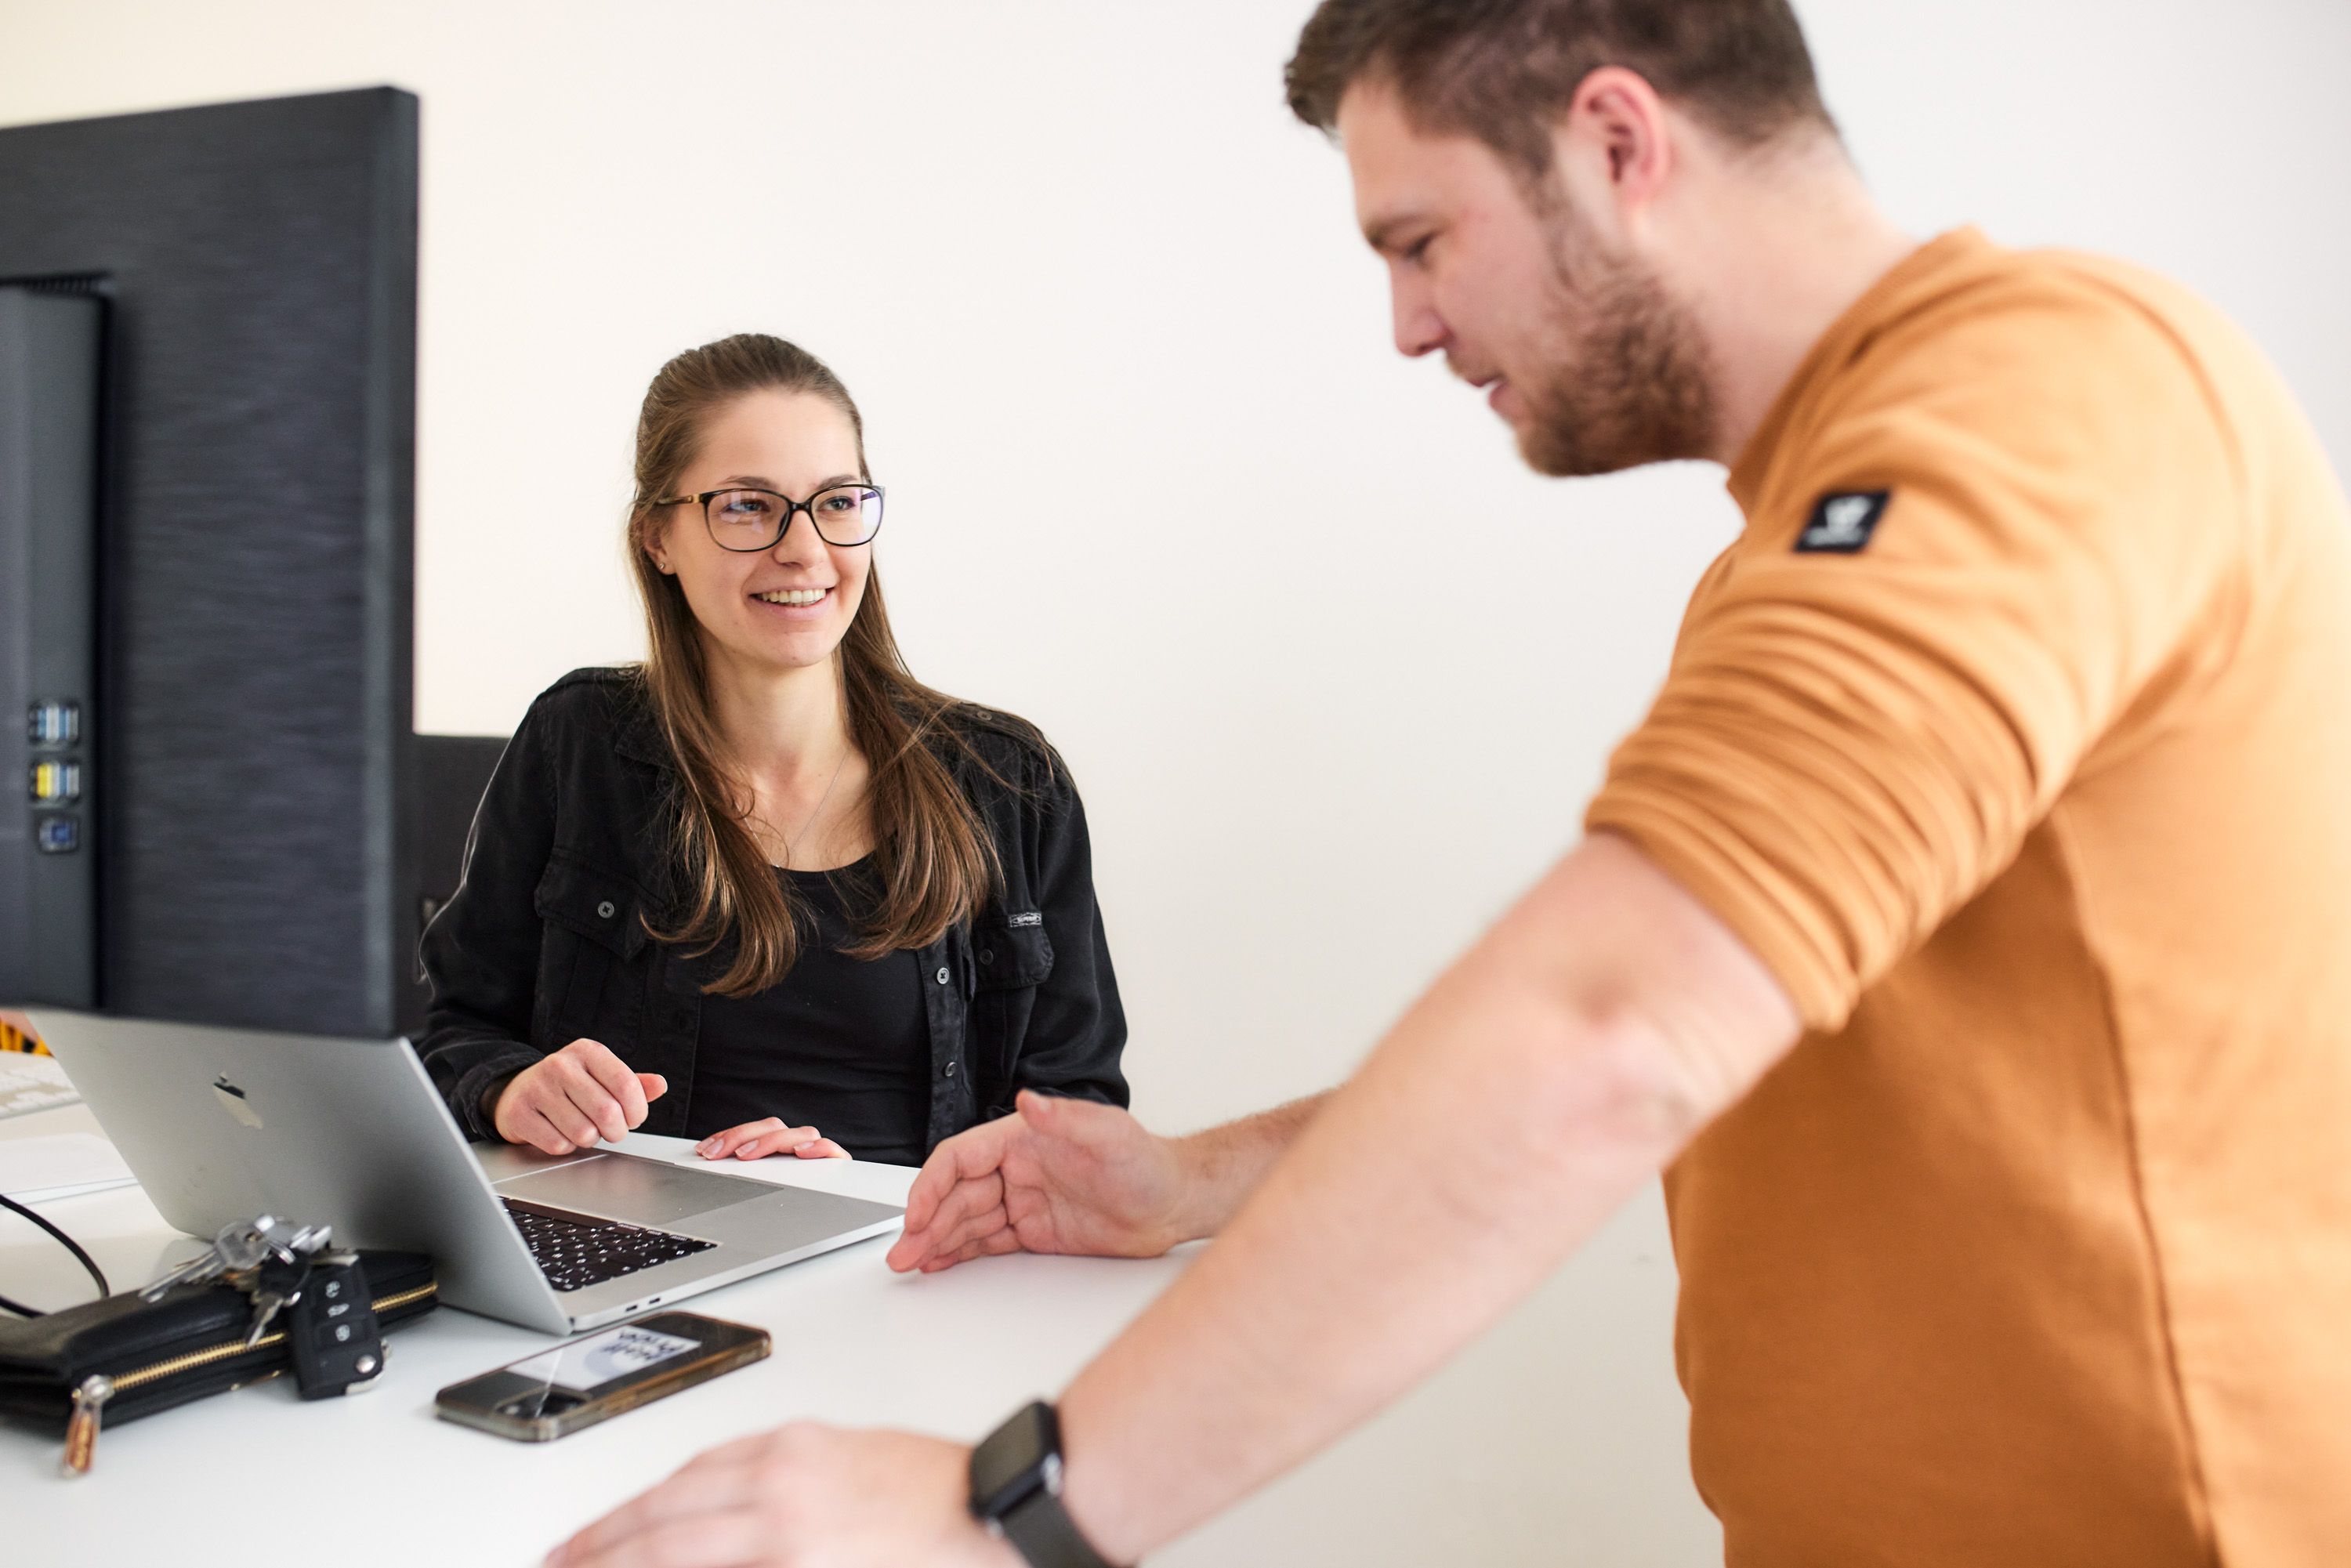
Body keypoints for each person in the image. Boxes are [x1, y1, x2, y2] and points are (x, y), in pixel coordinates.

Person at [551, 4, 2351, 1566]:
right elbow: (1722, 1042)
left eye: (1420, 237)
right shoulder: (1790, 551)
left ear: (1616, 140)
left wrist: (998, 1503)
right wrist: (1191, 1177)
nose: (1408, 323)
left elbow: (1604, 1028)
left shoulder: (2035, 400)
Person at [419, 334, 1127, 1171]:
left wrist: (848, 1197)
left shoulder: (1009, 782)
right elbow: (449, 1036)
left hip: (918, 1267)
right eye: (748, 506)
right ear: (658, 539)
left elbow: (1079, 1116)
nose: (804, 550)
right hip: (642, 1258)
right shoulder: (581, 741)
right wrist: (509, 1088)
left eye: (836, 502)